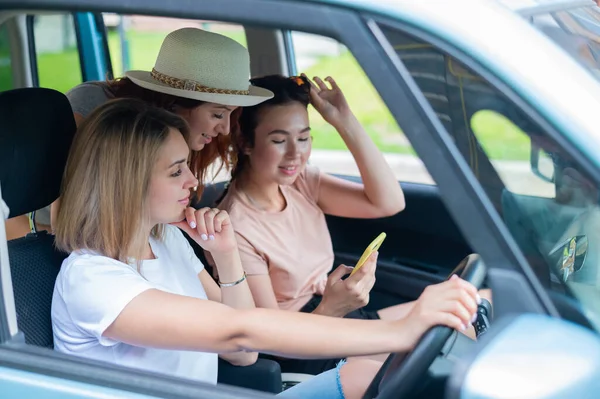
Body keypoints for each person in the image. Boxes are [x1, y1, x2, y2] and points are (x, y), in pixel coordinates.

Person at [51, 98, 480, 399]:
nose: (193, 183)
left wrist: (226, 254)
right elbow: (241, 331)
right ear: (128, 183)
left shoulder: (165, 239)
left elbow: (242, 355)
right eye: (177, 170)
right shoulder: (93, 279)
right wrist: (397, 333)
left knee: (371, 374)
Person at [213, 74, 485, 374]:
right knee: (449, 356)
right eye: (279, 140)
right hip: (305, 345)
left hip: (339, 317)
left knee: (477, 303)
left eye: (303, 138)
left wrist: (343, 120)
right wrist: (333, 307)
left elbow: (388, 202)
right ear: (244, 142)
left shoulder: (301, 183)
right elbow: (271, 338)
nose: (295, 153)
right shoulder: (235, 227)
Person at [41, 26, 273, 231]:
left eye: (232, 113)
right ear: (174, 102)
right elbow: (64, 216)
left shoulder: (190, 137)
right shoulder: (91, 108)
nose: (225, 129)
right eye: (218, 114)